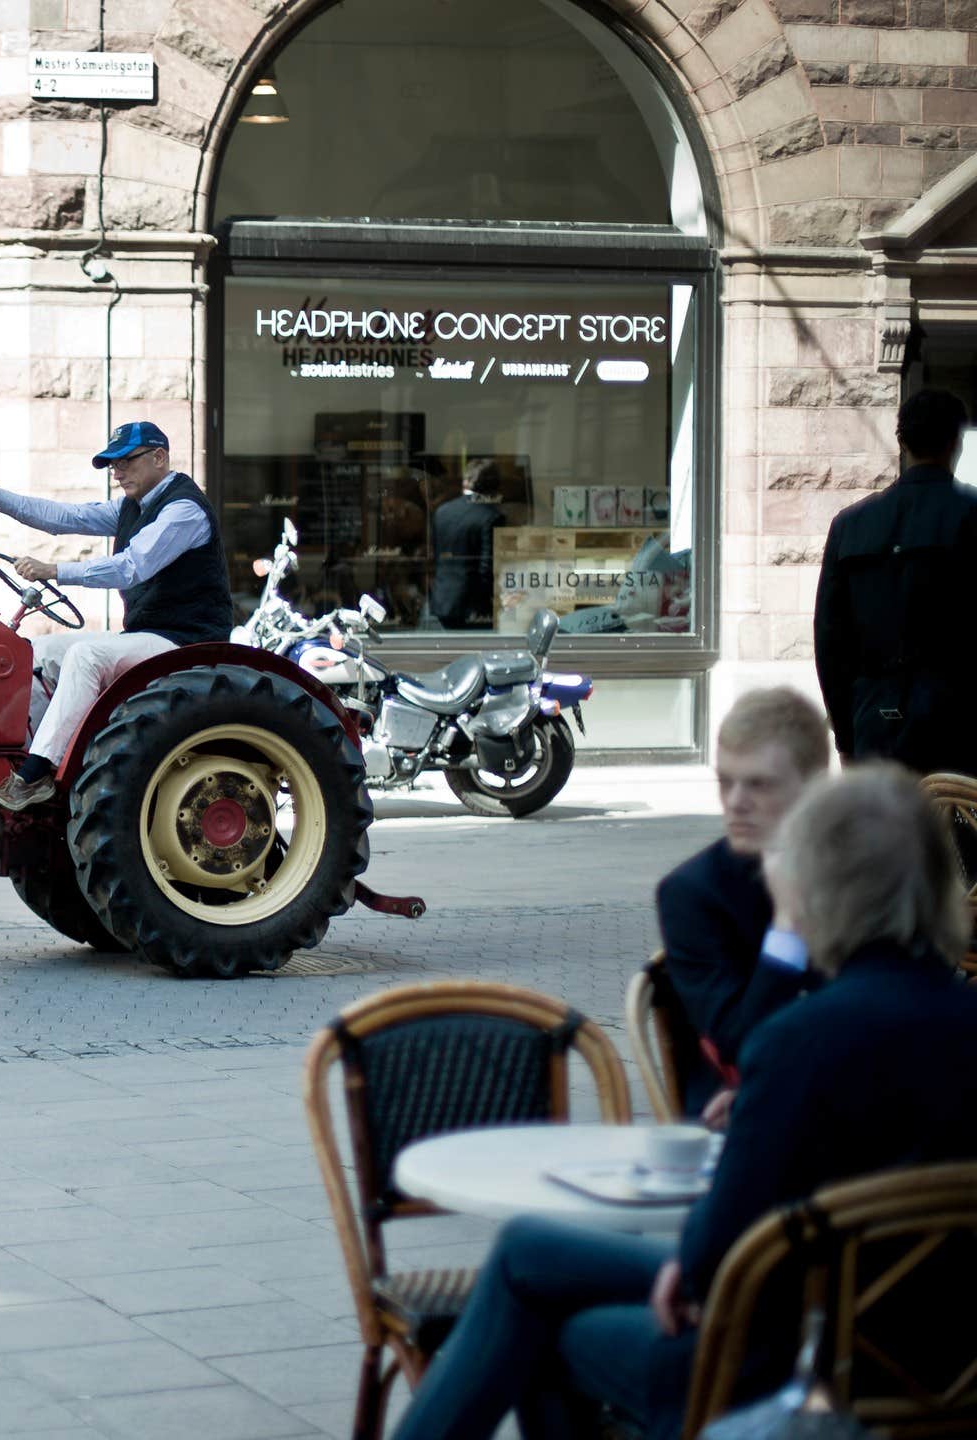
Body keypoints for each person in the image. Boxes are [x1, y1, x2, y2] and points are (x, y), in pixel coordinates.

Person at [389, 764, 977, 1440]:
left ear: (820, 895)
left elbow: (713, 1254)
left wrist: (695, 1267)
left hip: (794, 1360)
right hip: (946, 1355)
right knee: (528, 1251)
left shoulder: (800, 1045)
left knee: (545, 1323)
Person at [0, 421, 235, 811]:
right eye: (113, 464)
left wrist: (55, 571)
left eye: (126, 461)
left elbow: (131, 567)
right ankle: (21, 759)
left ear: (159, 458)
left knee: (86, 656)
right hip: (148, 634)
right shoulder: (134, 506)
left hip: (187, 641)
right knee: (38, 652)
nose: (117, 471)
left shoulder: (183, 510)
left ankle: (38, 774)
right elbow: (66, 518)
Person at [654, 687, 829, 1117]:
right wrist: (788, 928)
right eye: (725, 782)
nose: (735, 802)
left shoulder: (865, 869)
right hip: (742, 1112)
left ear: (815, 786)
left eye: (759, 784)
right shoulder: (693, 894)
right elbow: (743, 1044)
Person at [814, 387, 977, 776]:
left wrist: (846, 736)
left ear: (900, 441)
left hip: (877, 718)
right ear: (957, 442)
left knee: (883, 834)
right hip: (961, 721)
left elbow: (830, 643)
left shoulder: (850, 525)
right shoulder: (971, 515)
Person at [429, 460, 508, 631]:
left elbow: (435, 555)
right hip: (475, 606)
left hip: (442, 600)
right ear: (493, 485)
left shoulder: (442, 511)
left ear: (466, 481)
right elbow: (487, 568)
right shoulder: (491, 517)